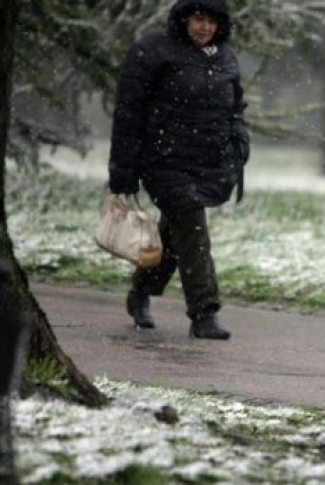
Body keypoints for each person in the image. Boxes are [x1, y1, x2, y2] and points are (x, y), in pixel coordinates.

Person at [108, 0, 250, 340]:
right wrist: (123, 173)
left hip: (206, 162)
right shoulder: (152, 50)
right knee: (192, 227)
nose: (206, 28)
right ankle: (204, 313)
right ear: (184, 18)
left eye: (212, 21)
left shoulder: (224, 57)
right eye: (199, 19)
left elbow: (235, 108)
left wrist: (239, 142)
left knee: (176, 235)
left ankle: (141, 291)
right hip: (163, 162)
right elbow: (129, 114)